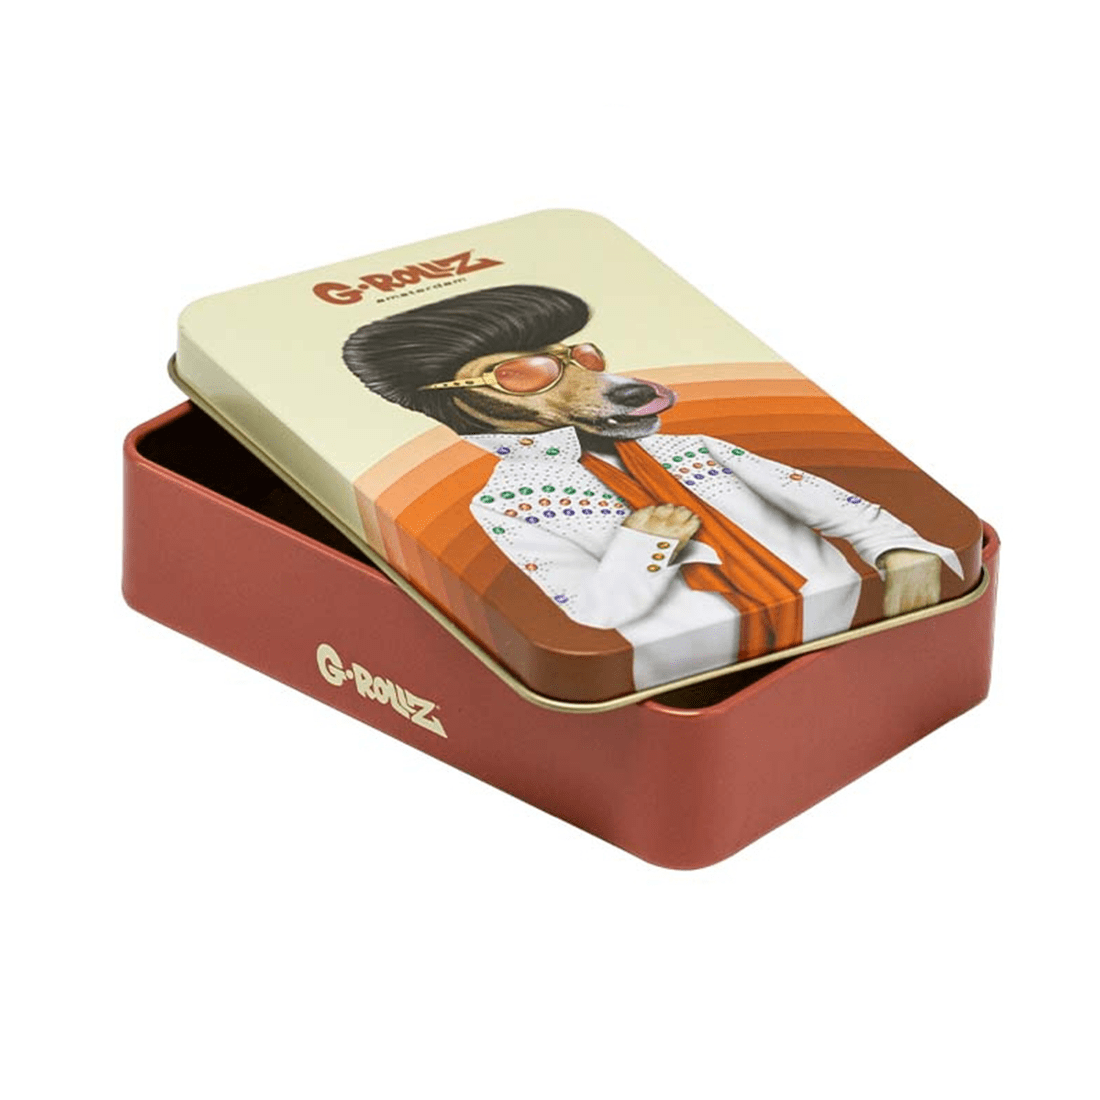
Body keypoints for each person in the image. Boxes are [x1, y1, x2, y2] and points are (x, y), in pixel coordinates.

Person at [344, 285, 962, 689]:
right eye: (525, 373)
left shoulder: (689, 448)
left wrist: (899, 549)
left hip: (844, 620)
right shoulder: (509, 502)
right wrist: (643, 544)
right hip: (691, 676)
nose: (603, 382)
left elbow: (826, 502)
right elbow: (592, 612)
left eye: (580, 358)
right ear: (454, 399)